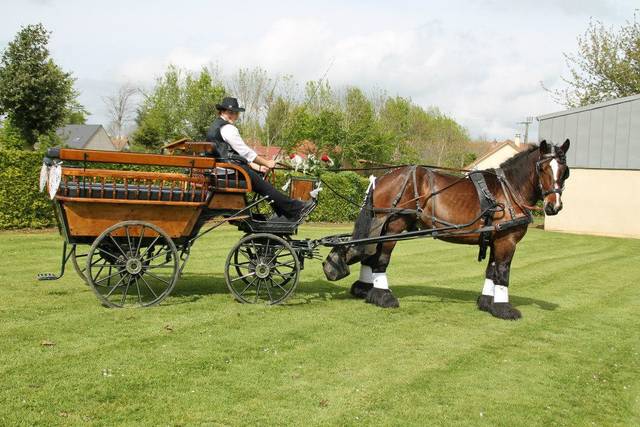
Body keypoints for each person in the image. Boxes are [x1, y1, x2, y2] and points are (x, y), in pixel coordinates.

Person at [206, 97, 311, 220]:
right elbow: (245, 152)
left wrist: (258, 167)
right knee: (264, 186)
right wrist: (267, 162)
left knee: (262, 183)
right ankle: (295, 209)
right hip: (230, 170)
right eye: (230, 112)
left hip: (222, 169)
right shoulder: (228, 128)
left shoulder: (215, 127)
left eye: (235, 113)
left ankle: (282, 211)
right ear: (222, 112)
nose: (233, 115)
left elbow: (231, 154)